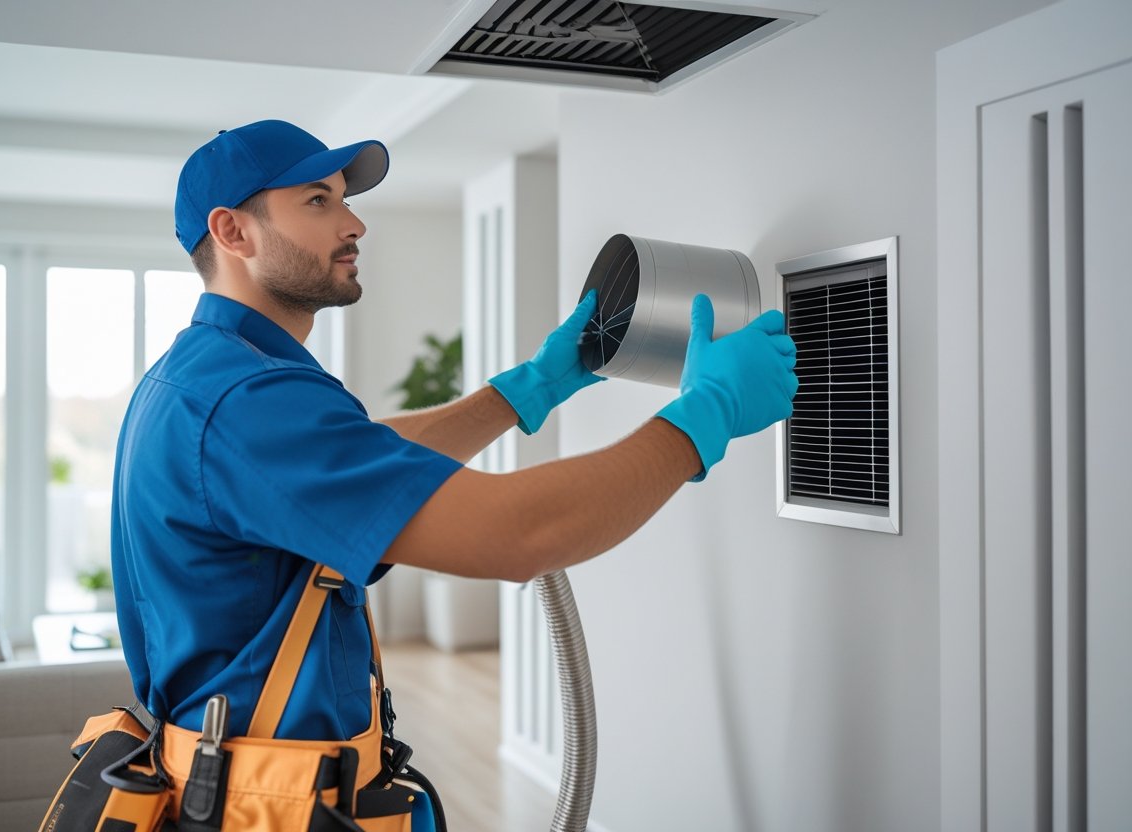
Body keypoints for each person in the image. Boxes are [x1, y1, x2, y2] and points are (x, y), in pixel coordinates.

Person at [111, 119, 797, 829]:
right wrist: (706, 416)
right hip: (264, 806)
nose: (354, 223)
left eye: (346, 198)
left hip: (241, 784)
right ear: (233, 232)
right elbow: (519, 533)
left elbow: (359, 457)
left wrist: (531, 387)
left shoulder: (210, 377)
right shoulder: (245, 403)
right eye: (318, 201)